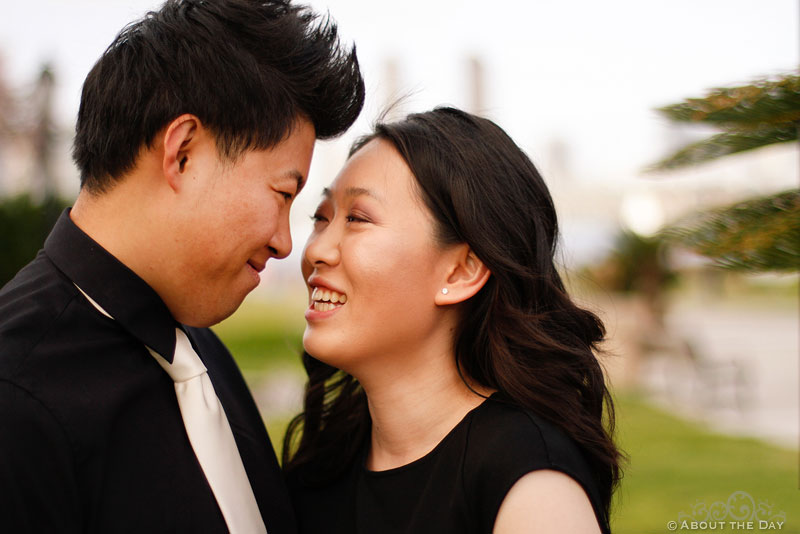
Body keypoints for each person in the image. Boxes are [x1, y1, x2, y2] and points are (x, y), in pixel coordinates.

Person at [0, 0, 363, 532]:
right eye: (283, 193)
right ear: (183, 152)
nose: (287, 244)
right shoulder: (15, 399)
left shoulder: (203, 354)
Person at [283, 107, 622, 533]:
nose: (316, 251)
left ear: (461, 272)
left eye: (357, 218)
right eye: (321, 218)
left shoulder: (531, 485)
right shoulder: (323, 459)